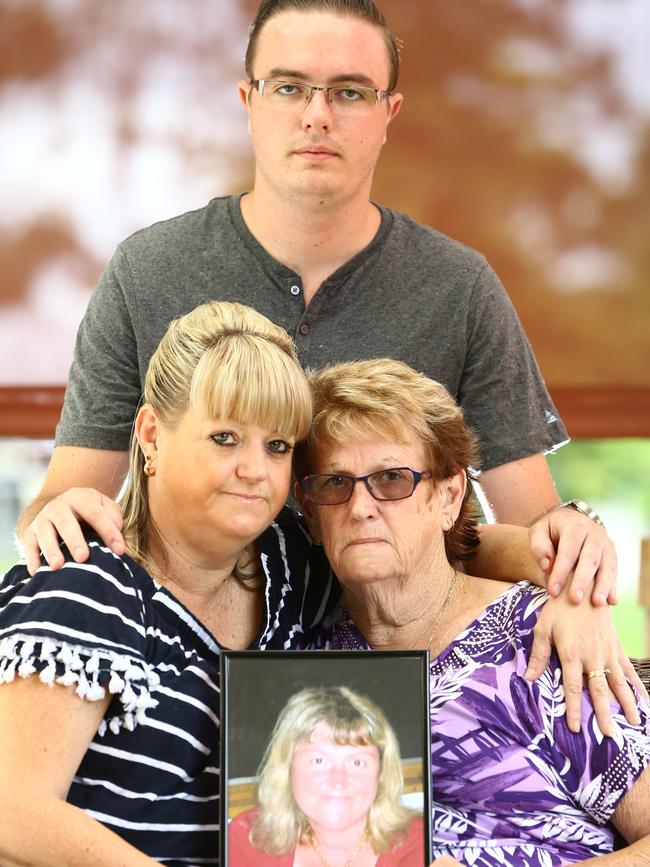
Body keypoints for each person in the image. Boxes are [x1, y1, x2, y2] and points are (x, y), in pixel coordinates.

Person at [17, 0, 617, 601]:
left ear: (389, 113)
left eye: (350, 93)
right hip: (188, 654)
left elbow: (532, 529)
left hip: (404, 665)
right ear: (249, 103)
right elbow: (60, 504)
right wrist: (51, 528)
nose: (317, 115)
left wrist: (573, 583)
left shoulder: (459, 289)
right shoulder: (145, 273)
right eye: (288, 87)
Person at [0, 301, 334, 865]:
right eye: (225, 437)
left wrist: (536, 573)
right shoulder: (85, 582)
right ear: (152, 435)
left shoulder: (291, 567)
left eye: (277, 445)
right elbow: (11, 808)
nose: (256, 469)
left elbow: (421, 562)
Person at [295, 358, 650, 866]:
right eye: (334, 482)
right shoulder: (302, 660)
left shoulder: (541, 639)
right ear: (308, 509)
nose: (360, 506)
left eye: (393, 479)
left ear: (449, 495)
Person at [228, 686, 424, 866]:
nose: (338, 782)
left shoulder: (420, 844)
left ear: (381, 773)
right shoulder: (248, 839)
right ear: (287, 769)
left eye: (357, 762)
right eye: (318, 761)